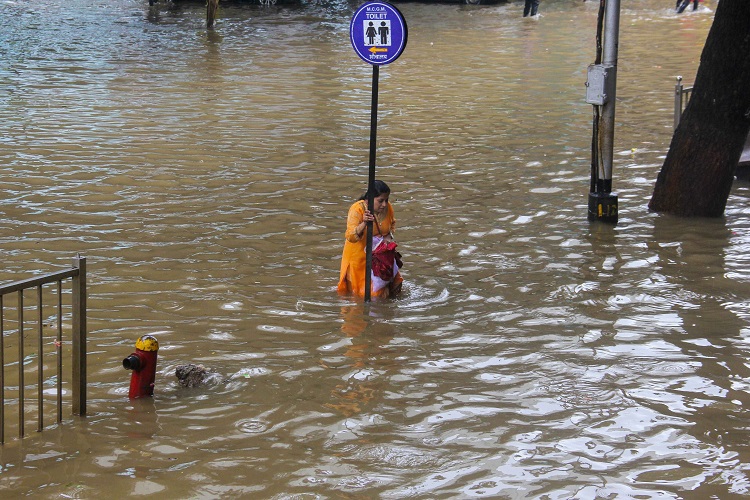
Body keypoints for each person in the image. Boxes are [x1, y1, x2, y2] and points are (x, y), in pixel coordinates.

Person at [337, 180, 403, 299]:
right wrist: (364, 223)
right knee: (367, 294)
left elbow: (392, 224)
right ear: (370, 199)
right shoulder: (357, 209)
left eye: (386, 200)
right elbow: (350, 236)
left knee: (396, 285)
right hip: (360, 257)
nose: (384, 204)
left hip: (381, 256)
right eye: (380, 201)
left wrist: (388, 236)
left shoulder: (388, 208)